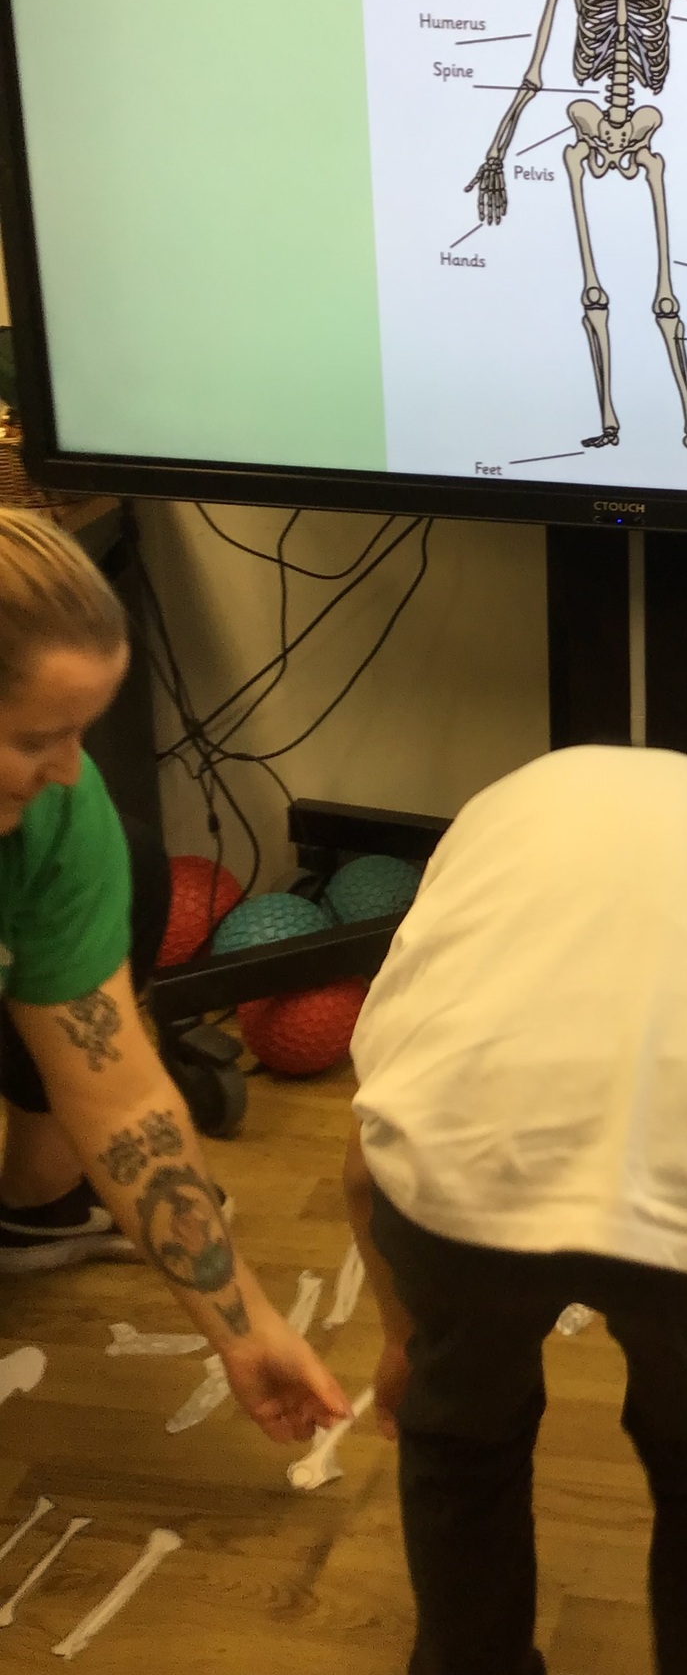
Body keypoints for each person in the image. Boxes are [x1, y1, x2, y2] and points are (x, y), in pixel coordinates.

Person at [344, 743, 687, 1675]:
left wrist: (407, 1340)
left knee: (461, 1445)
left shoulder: (474, 846)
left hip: (463, 1170)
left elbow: (366, 1163)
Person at [0, 508, 347, 1444]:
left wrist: (247, 1328)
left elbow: (116, 1097)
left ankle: (36, 1207)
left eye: (82, 732)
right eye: (37, 738)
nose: (69, 771)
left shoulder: (60, 818)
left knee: (134, 861)